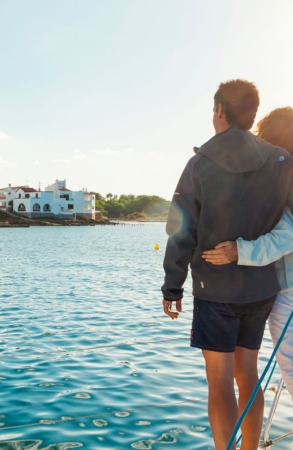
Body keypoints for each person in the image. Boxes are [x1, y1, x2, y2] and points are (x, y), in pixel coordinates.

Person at [162, 80, 293, 450]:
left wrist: (172, 286)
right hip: (263, 288)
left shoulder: (199, 163)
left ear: (219, 111)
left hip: (215, 290)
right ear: (253, 114)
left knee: (218, 381)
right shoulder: (283, 161)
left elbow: (180, 229)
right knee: (247, 375)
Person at [202, 107, 293, 402]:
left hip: (288, 287)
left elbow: (287, 234)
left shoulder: (282, 178)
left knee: (290, 370)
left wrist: (241, 250)